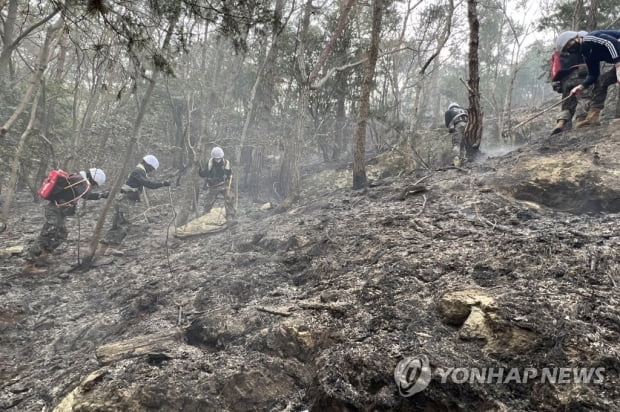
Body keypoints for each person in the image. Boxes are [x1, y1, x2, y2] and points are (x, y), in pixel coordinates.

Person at [23, 168, 108, 274]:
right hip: (54, 210)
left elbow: (82, 195)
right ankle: (28, 264)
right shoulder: (80, 181)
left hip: (58, 211)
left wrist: (100, 195)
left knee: (62, 234)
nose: (93, 186)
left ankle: (44, 255)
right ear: (93, 179)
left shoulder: (77, 179)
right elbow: (85, 195)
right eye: (94, 184)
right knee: (47, 234)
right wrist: (100, 195)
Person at [99, 155, 170, 256]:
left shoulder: (138, 170)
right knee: (124, 224)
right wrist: (162, 184)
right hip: (125, 200)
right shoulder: (139, 171)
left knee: (116, 224)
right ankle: (112, 247)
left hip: (122, 198)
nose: (151, 171)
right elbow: (149, 184)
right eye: (151, 168)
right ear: (147, 164)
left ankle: (103, 249)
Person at [556, 30, 620, 127]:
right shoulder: (587, 54)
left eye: (570, 43)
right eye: (567, 48)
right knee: (602, 81)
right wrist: (581, 86)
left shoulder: (589, 38)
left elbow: (611, 43)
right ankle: (592, 117)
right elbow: (593, 75)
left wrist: (618, 64)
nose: (570, 47)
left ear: (576, 38)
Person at [549, 32, 591, 134]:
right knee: (584, 99)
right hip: (581, 77)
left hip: (565, 82)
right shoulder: (582, 46)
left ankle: (561, 123)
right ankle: (580, 121)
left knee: (567, 105)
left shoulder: (564, 53)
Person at [199, 146, 236, 220]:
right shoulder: (210, 163)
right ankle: (205, 214)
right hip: (213, 186)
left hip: (224, 184)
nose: (218, 160)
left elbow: (230, 174)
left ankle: (230, 215)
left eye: (219, 158)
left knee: (230, 197)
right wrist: (200, 170)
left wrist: (230, 184)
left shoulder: (226, 163)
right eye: (216, 158)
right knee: (208, 200)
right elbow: (204, 174)